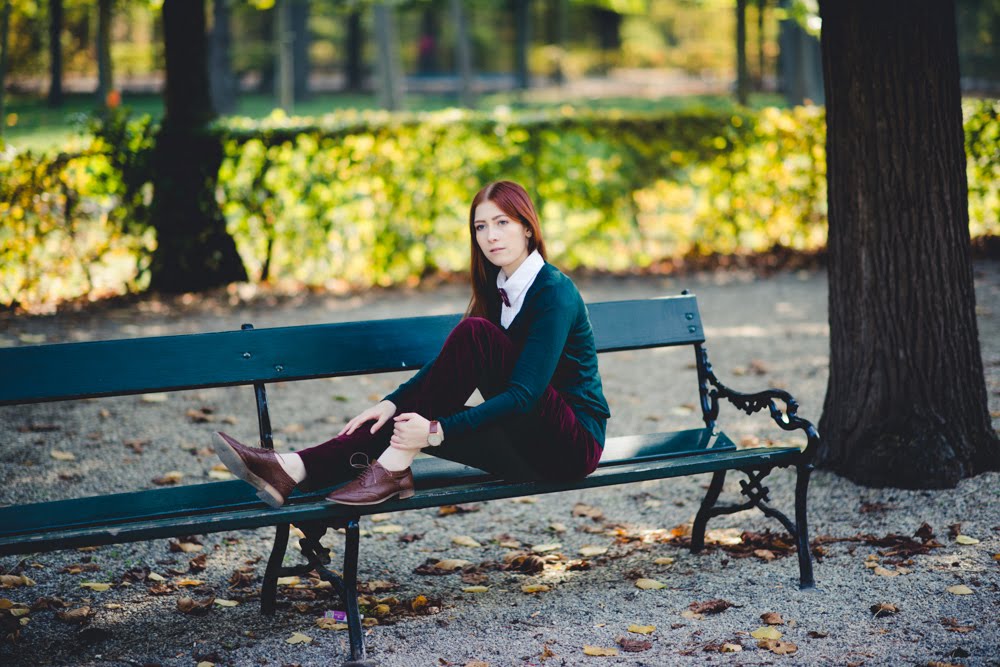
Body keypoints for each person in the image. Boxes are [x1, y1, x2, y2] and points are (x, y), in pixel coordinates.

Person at [213, 180, 611, 507]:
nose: (490, 236)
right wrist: (392, 403)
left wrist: (436, 430)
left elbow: (525, 394)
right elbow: (447, 371)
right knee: (402, 421)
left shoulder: (553, 292)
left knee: (472, 337)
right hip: (522, 446)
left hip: (570, 448)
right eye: (480, 227)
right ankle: (293, 469)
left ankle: (382, 467)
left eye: (502, 222)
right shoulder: (498, 290)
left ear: (527, 227)